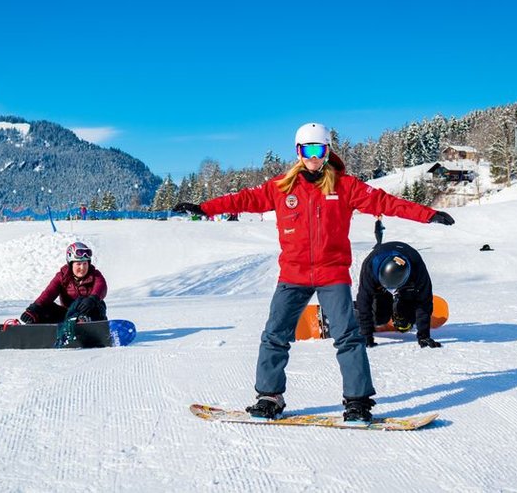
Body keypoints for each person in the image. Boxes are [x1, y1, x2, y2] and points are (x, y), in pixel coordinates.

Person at [173, 123, 454, 424]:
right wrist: (205, 208)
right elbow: (242, 199)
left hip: (332, 274)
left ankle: (358, 401)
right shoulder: (282, 187)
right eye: (307, 151)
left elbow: (386, 202)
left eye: (318, 150)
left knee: (348, 336)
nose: (313, 157)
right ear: (298, 152)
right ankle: (269, 397)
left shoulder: (345, 186)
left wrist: (428, 214)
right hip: (292, 275)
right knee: (275, 335)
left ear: (327, 151)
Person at [356, 241, 442, 349]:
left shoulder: (418, 269)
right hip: (380, 270)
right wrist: (366, 334)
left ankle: (397, 307)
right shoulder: (370, 267)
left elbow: (424, 301)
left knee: (407, 321)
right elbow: (364, 300)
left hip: (406, 281)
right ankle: (348, 309)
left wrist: (424, 335)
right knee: (379, 318)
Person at [19, 242, 108, 324]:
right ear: (71, 264)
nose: (82, 268)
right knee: (45, 307)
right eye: (78, 264)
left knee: (88, 302)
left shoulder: (95, 275)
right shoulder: (62, 276)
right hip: (69, 314)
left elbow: (100, 287)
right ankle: (35, 329)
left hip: (91, 313)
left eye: (85, 264)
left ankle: (84, 323)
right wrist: (34, 309)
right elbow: (48, 293)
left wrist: (92, 299)